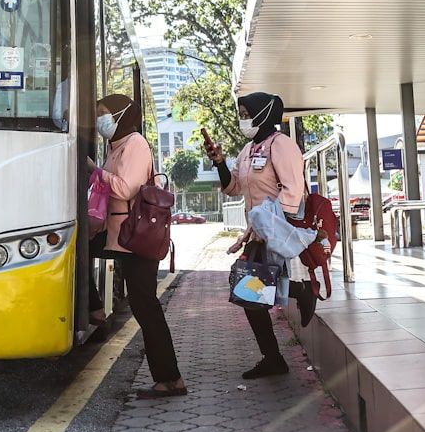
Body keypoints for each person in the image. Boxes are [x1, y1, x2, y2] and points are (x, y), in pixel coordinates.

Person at [205, 92, 318, 379]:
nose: (243, 119)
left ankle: (302, 294)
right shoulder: (248, 150)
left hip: (277, 229)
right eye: (241, 114)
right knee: (249, 292)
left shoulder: (282, 145)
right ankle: (275, 353)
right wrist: (220, 163)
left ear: (263, 113)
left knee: (249, 289)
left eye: (246, 114)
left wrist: (271, 224)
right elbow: (233, 187)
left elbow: (293, 189)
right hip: (257, 232)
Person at [88, 94, 186, 398]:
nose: (99, 120)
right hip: (119, 235)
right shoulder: (116, 146)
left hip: (136, 237)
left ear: (121, 115)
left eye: (104, 113)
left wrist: (95, 171)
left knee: (146, 307)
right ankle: (94, 309)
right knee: (78, 252)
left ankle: (170, 379)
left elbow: (126, 188)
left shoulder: (135, 144)